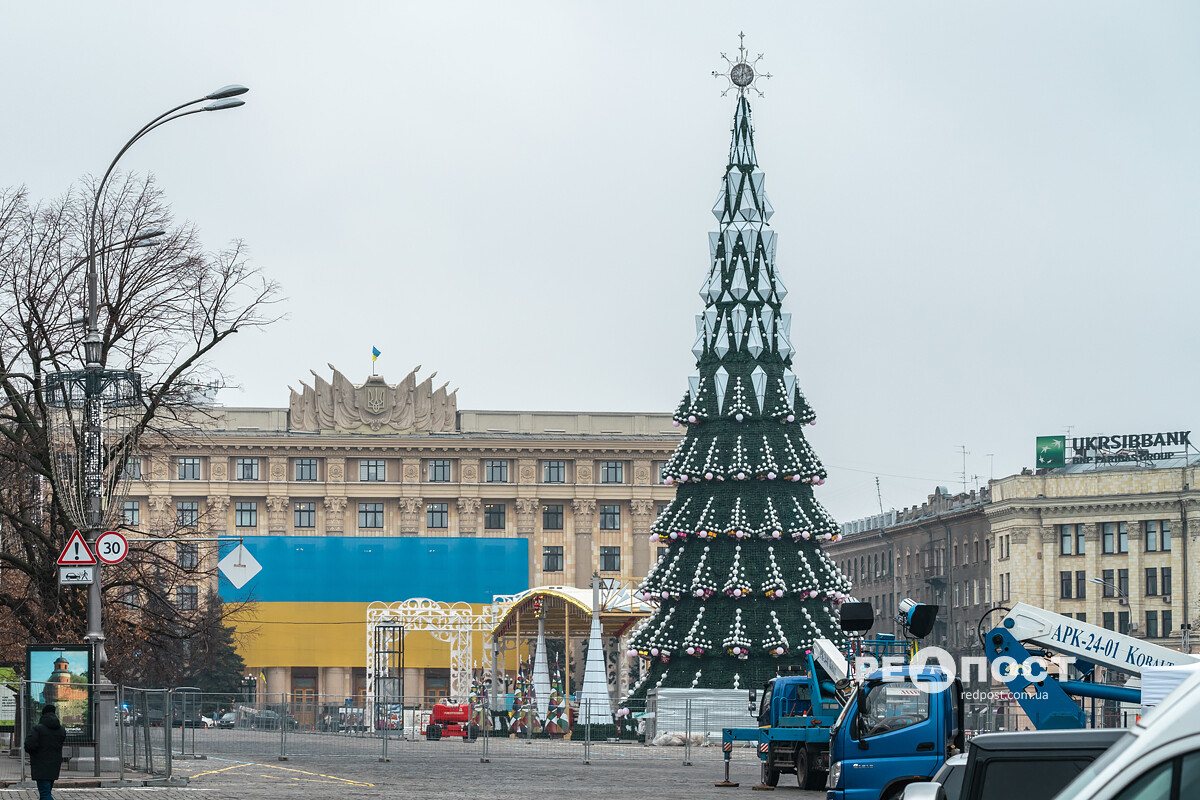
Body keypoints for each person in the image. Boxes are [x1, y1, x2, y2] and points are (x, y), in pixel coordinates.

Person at [24, 703, 67, 800]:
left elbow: (29, 745)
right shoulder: (61, 730)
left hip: (40, 764)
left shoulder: (37, 728)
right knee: (47, 790)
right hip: (55, 764)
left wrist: (34, 752)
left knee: (44, 793)